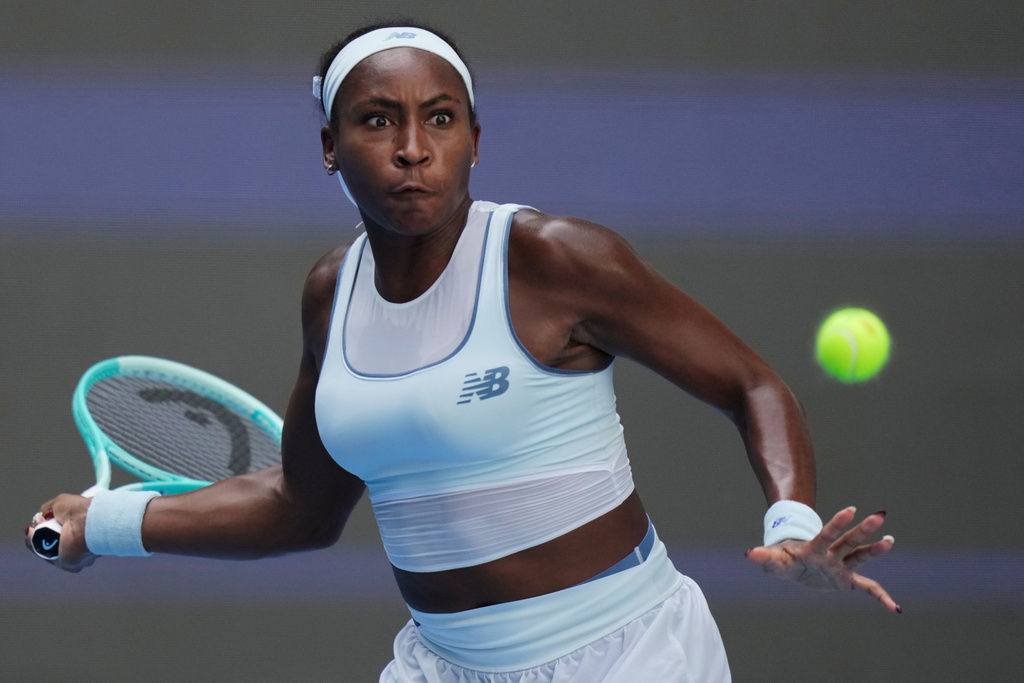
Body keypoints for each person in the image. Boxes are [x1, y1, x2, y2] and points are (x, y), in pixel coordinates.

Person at [29, 21, 898, 682]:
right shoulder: (332, 292)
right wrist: (101, 523)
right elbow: (302, 503)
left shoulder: (555, 258)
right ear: (329, 148)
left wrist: (792, 523)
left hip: (626, 658)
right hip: (441, 664)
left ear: (475, 141)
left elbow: (751, 383)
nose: (414, 150)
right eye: (378, 121)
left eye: (440, 120)